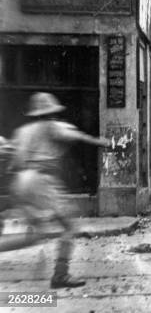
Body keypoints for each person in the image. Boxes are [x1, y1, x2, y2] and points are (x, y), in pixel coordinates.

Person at [8, 92, 109, 288]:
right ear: (50, 112)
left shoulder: (22, 131)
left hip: (21, 181)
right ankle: (60, 275)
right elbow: (76, 135)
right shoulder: (52, 126)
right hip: (42, 181)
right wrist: (100, 142)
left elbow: (14, 161)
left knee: (34, 230)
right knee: (69, 227)